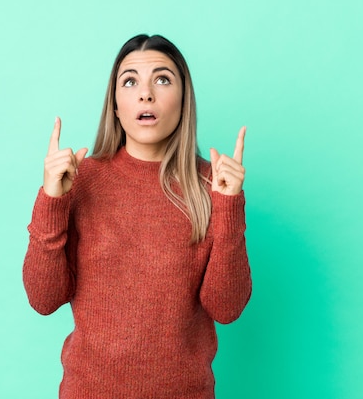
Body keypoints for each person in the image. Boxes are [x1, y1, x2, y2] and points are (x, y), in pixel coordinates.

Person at [23, 34, 252, 398]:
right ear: (115, 105)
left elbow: (226, 308)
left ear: (184, 101)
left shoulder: (212, 184)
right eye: (130, 81)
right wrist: (52, 200)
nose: (146, 93)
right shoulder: (81, 181)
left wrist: (229, 208)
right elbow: (43, 298)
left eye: (162, 79)